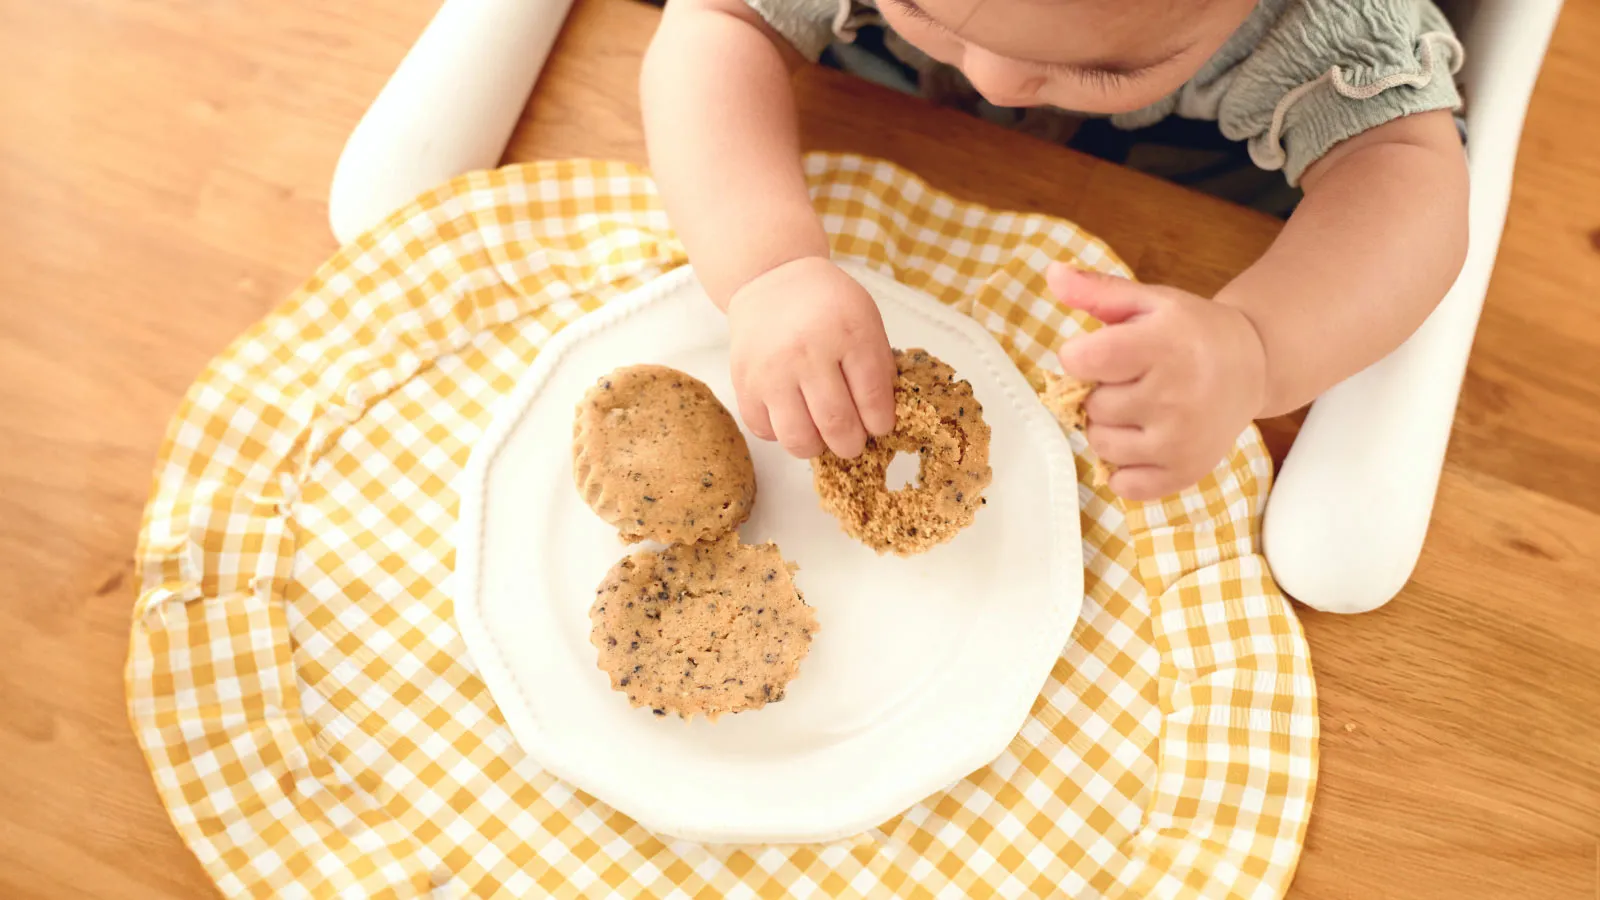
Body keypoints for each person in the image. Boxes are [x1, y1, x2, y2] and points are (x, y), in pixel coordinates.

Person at [640, 0, 1469, 500]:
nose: (996, 81)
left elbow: (1407, 180)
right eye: (925, 10)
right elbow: (717, 24)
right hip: (886, 104)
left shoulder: (1319, 21)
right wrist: (766, 268)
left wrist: (1256, 346)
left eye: (1106, 68)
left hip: (1188, 191)